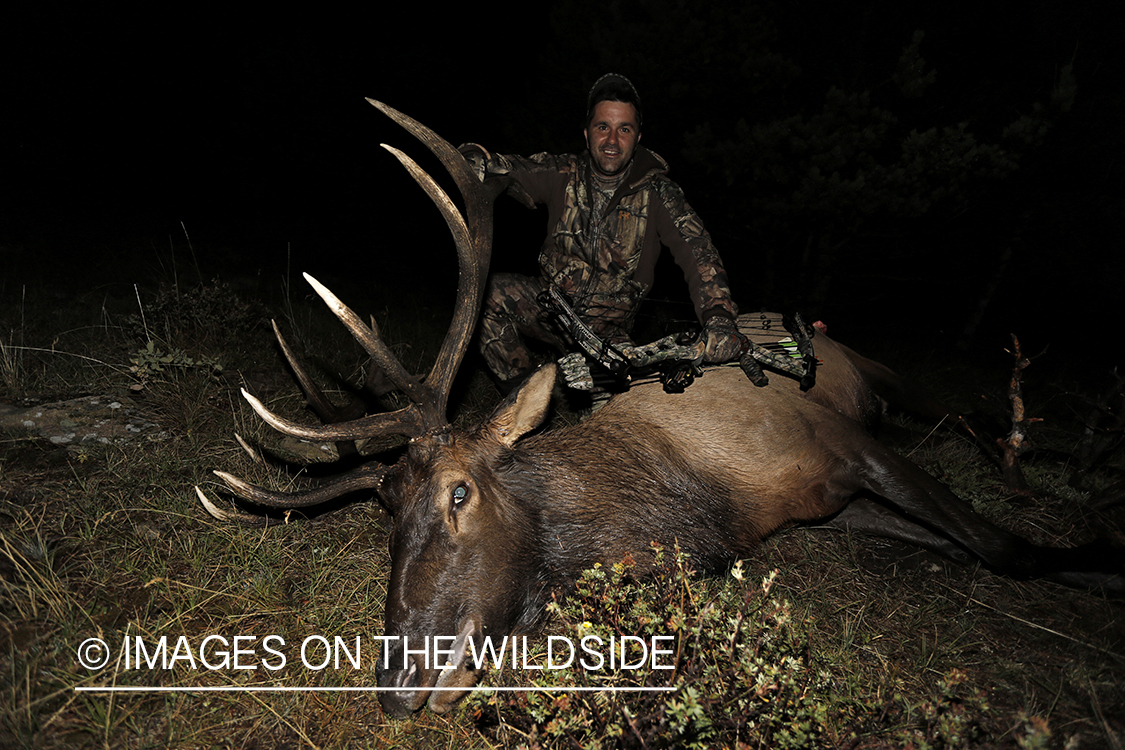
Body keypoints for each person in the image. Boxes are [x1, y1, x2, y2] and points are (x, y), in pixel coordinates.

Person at [461, 73, 742, 392]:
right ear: (587, 133)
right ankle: (526, 394)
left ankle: (590, 389)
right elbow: (506, 168)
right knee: (488, 295)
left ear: (637, 138)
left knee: (616, 419)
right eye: (602, 127)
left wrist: (718, 315)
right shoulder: (562, 173)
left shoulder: (660, 195)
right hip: (548, 309)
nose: (612, 141)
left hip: (607, 336)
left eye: (624, 129)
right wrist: (475, 158)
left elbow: (699, 251)